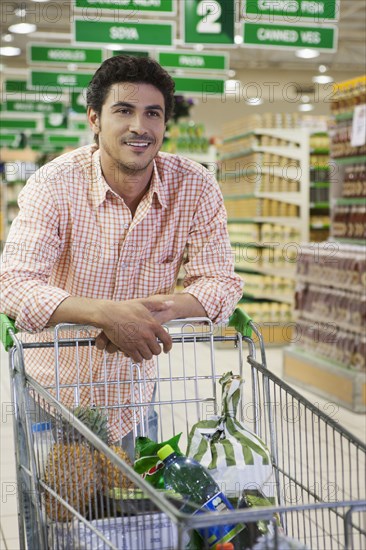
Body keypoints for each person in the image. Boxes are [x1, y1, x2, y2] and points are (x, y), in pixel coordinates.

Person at [0, 55, 243, 443]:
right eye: (124, 110)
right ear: (94, 119)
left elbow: (221, 283)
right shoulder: (55, 184)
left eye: (153, 113)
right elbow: (14, 285)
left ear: (165, 122)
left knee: (133, 504)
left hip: (133, 396)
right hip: (52, 394)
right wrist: (107, 316)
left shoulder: (195, 187)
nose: (139, 127)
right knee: (53, 503)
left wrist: (147, 314)